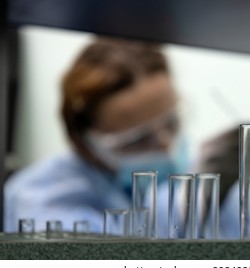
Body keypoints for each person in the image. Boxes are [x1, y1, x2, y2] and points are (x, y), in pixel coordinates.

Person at [4, 37, 188, 234]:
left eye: (171, 124)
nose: (166, 147)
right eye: (138, 140)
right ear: (86, 143)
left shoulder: (179, 177)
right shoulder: (42, 199)